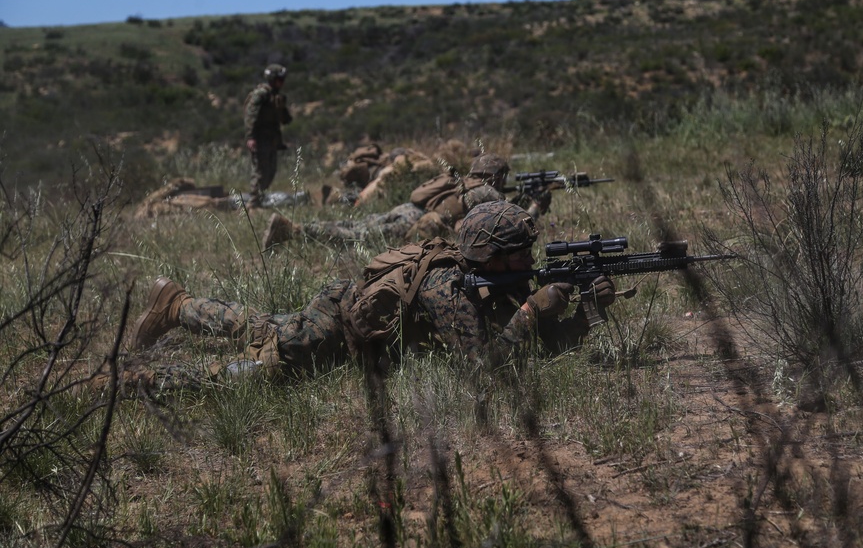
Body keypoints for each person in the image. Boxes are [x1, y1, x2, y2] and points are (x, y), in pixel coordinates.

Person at [126, 201, 616, 383]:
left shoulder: (482, 277)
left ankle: (176, 304)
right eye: (520, 254)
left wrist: (585, 315)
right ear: (492, 256)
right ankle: (132, 384)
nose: (530, 263)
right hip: (333, 332)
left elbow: (533, 348)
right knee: (255, 368)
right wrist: (533, 308)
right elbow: (485, 370)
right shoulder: (449, 286)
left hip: (350, 311)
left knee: (260, 324)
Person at [261, 153, 548, 249]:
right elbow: (508, 222)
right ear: (497, 175)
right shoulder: (489, 191)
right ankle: (294, 231)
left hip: (408, 209)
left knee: (355, 223)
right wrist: (535, 207)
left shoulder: (464, 181)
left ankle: (295, 227)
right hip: (416, 222)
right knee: (357, 236)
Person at [244, 64, 293, 207]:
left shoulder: (275, 96)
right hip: (260, 139)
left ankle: (258, 199)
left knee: (270, 171)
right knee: (260, 171)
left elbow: (285, 118)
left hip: (271, 139)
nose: (282, 82)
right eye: (280, 79)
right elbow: (251, 115)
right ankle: (253, 204)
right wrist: (251, 137)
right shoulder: (261, 94)